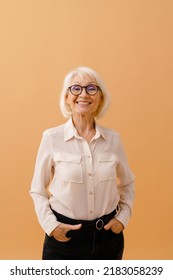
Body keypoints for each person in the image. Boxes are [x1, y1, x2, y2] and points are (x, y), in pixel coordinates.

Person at [30, 66, 135, 260]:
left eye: (91, 88)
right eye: (76, 88)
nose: (83, 94)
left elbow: (127, 184)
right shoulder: (51, 138)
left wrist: (123, 218)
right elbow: (37, 190)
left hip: (108, 238)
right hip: (64, 238)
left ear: (100, 98)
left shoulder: (114, 139)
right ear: (66, 97)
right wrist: (51, 226)